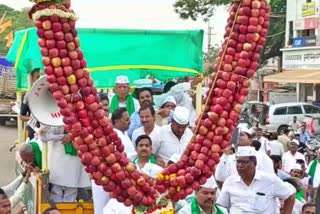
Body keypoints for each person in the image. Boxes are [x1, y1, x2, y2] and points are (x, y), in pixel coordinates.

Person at [217, 146, 296, 214]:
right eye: (238, 162)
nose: (240, 166)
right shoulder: (230, 181)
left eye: (244, 162)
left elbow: (290, 195)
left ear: (254, 163)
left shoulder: (269, 180)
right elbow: (222, 205)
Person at [92, 107, 137, 214]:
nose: (130, 121)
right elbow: (118, 157)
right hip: (107, 178)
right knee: (104, 208)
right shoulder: (112, 136)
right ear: (117, 121)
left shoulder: (124, 134)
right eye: (126, 119)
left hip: (119, 179)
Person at [37, 124, 90, 203]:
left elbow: (87, 130)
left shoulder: (79, 116)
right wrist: (63, 136)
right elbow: (44, 137)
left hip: (74, 159)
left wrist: (72, 135)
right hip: (57, 157)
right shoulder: (52, 119)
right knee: (56, 188)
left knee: (72, 188)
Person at [20, 68, 41, 140]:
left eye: (41, 77)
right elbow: (21, 116)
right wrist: (32, 119)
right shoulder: (27, 95)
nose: (40, 79)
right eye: (37, 77)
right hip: (33, 132)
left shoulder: (51, 94)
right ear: (32, 78)